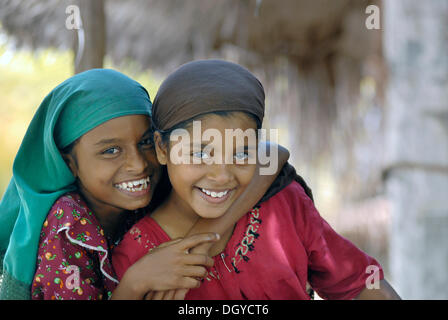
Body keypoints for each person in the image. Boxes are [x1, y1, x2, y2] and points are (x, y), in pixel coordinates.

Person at [112, 59, 401, 300]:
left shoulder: (284, 205)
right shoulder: (137, 256)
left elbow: (360, 283)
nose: (221, 175)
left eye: (242, 154)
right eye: (199, 154)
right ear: (163, 149)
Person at [0, 68, 289, 300]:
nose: (138, 164)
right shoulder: (66, 223)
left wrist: (202, 240)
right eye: (111, 150)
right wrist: (136, 283)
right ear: (69, 163)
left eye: (147, 142)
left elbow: (271, 153)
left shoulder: (162, 182)